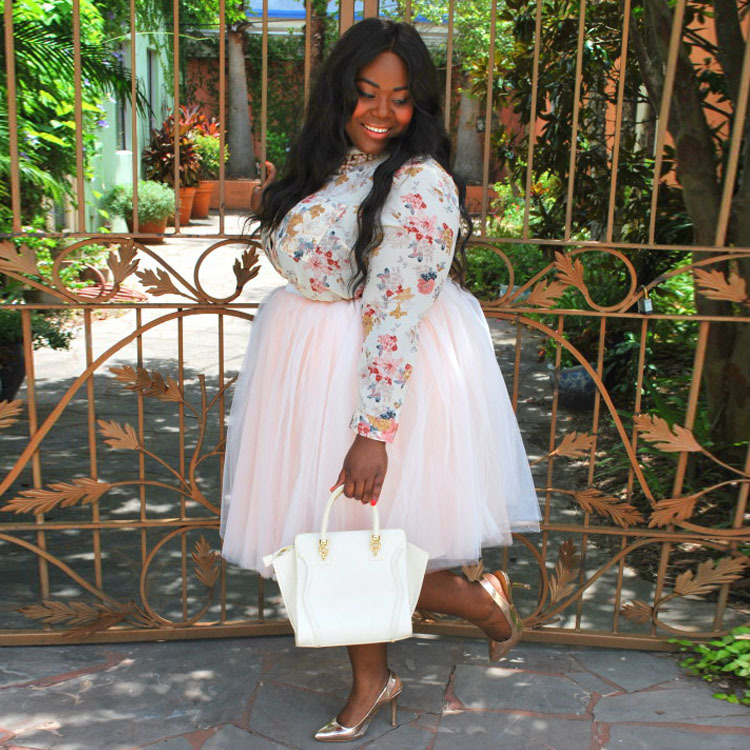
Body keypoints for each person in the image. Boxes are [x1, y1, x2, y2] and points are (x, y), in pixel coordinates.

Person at [220, 17, 540, 743]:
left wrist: (373, 431)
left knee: (368, 533)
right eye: (367, 93)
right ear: (341, 91)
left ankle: (478, 602)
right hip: (310, 370)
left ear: (418, 104)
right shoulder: (329, 162)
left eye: (400, 98)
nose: (382, 112)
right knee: (332, 533)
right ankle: (375, 676)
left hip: (379, 375)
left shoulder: (420, 182)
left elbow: (394, 314)